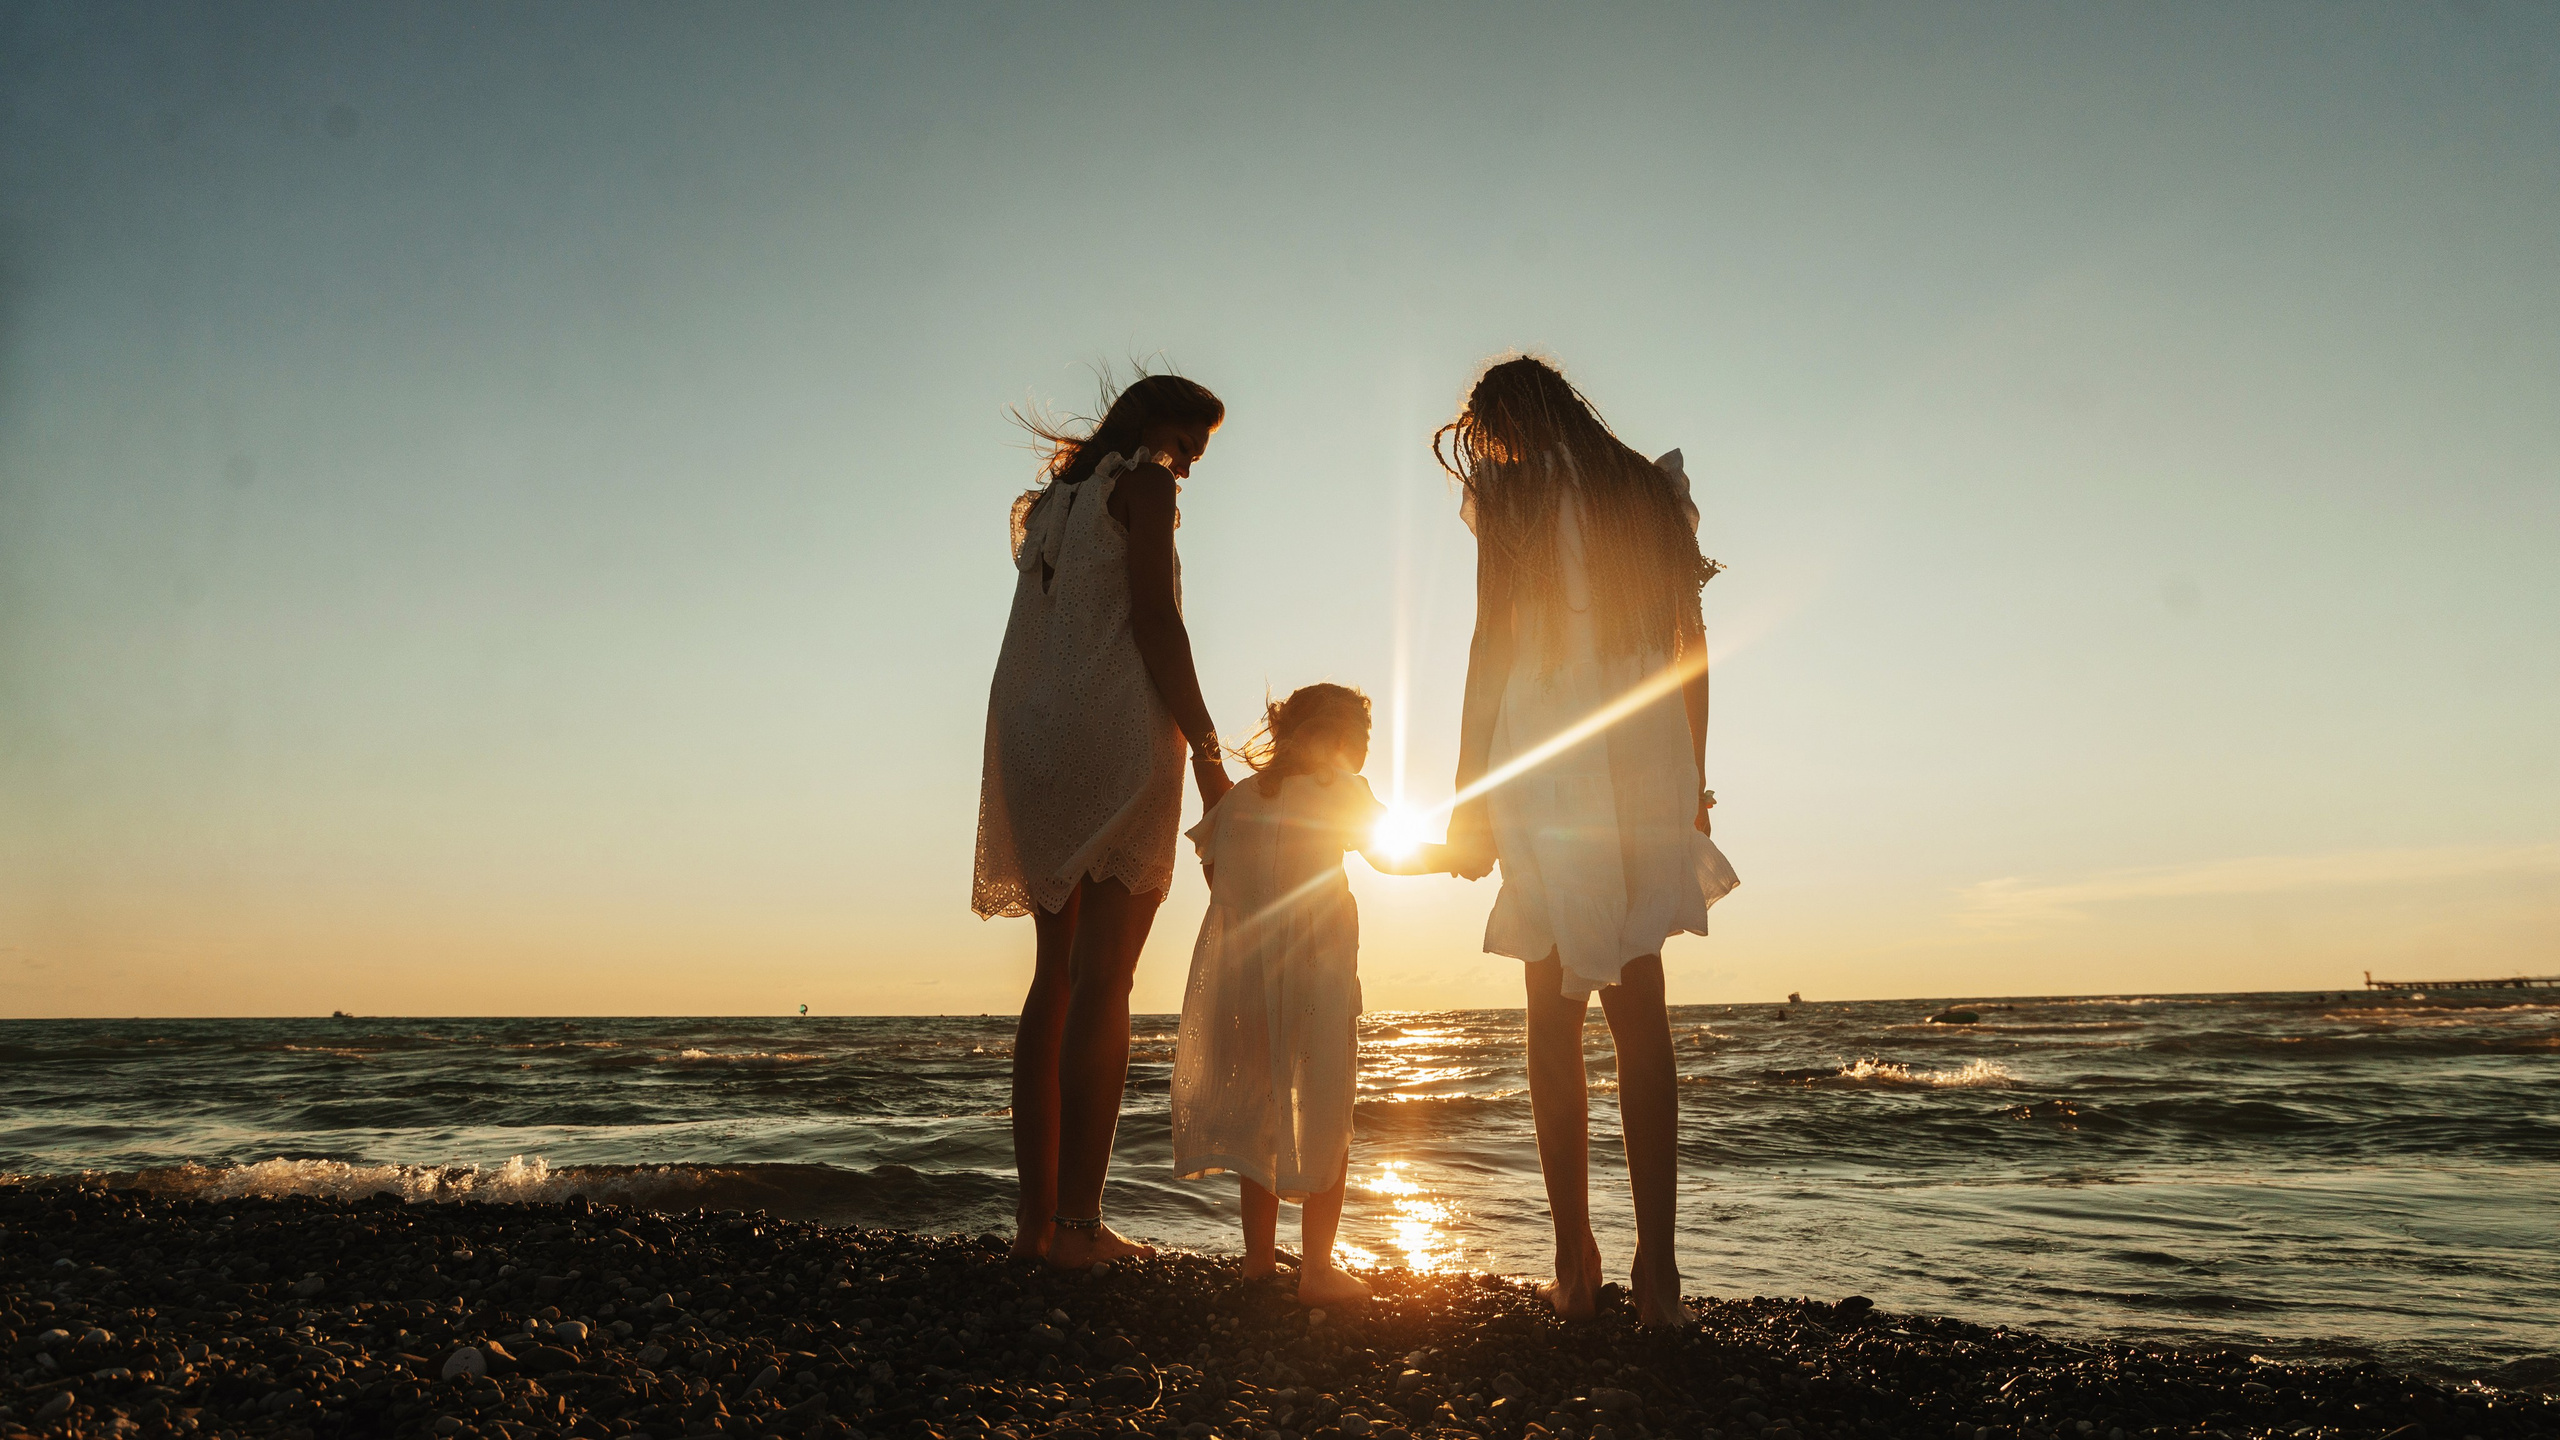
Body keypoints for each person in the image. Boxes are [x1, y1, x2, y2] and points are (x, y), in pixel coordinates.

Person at [1438, 355, 1739, 1326]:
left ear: (1501, 427)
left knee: (1549, 1001)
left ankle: (1574, 1259)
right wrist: (1691, 780)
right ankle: (1661, 1274)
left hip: (1545, 747)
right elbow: (1690, 652)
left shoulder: (1513, 493)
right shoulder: (1649, 492)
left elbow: (1491, 644)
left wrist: (1465, 796)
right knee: (1639, 999)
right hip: (1645, 755)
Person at [974, 370, 1234, 1267]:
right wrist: (1207, 750)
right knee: (1107, 981)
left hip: (1032, 736)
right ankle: (1082, 1228)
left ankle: (1035, 1227)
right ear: (1160, 426)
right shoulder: (1144, 484)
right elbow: (1157, 622)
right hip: (1119, 730)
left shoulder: (1051, 504)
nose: (1188, 469)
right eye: (1190, 446)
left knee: (1055, 979)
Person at [1171, 683, 1462, 1306]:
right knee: (1324, 1107)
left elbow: (1215, 872)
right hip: (1315, 975)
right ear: (1335, 737)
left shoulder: (1243, 799)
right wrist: (1456, 858)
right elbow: (1389, 858)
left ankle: (1257, 1265)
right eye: (1359, 739)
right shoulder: (1340, 791)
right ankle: (1317, 1272)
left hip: (1241, 980)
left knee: (1257, 1112)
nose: (1362, 753)